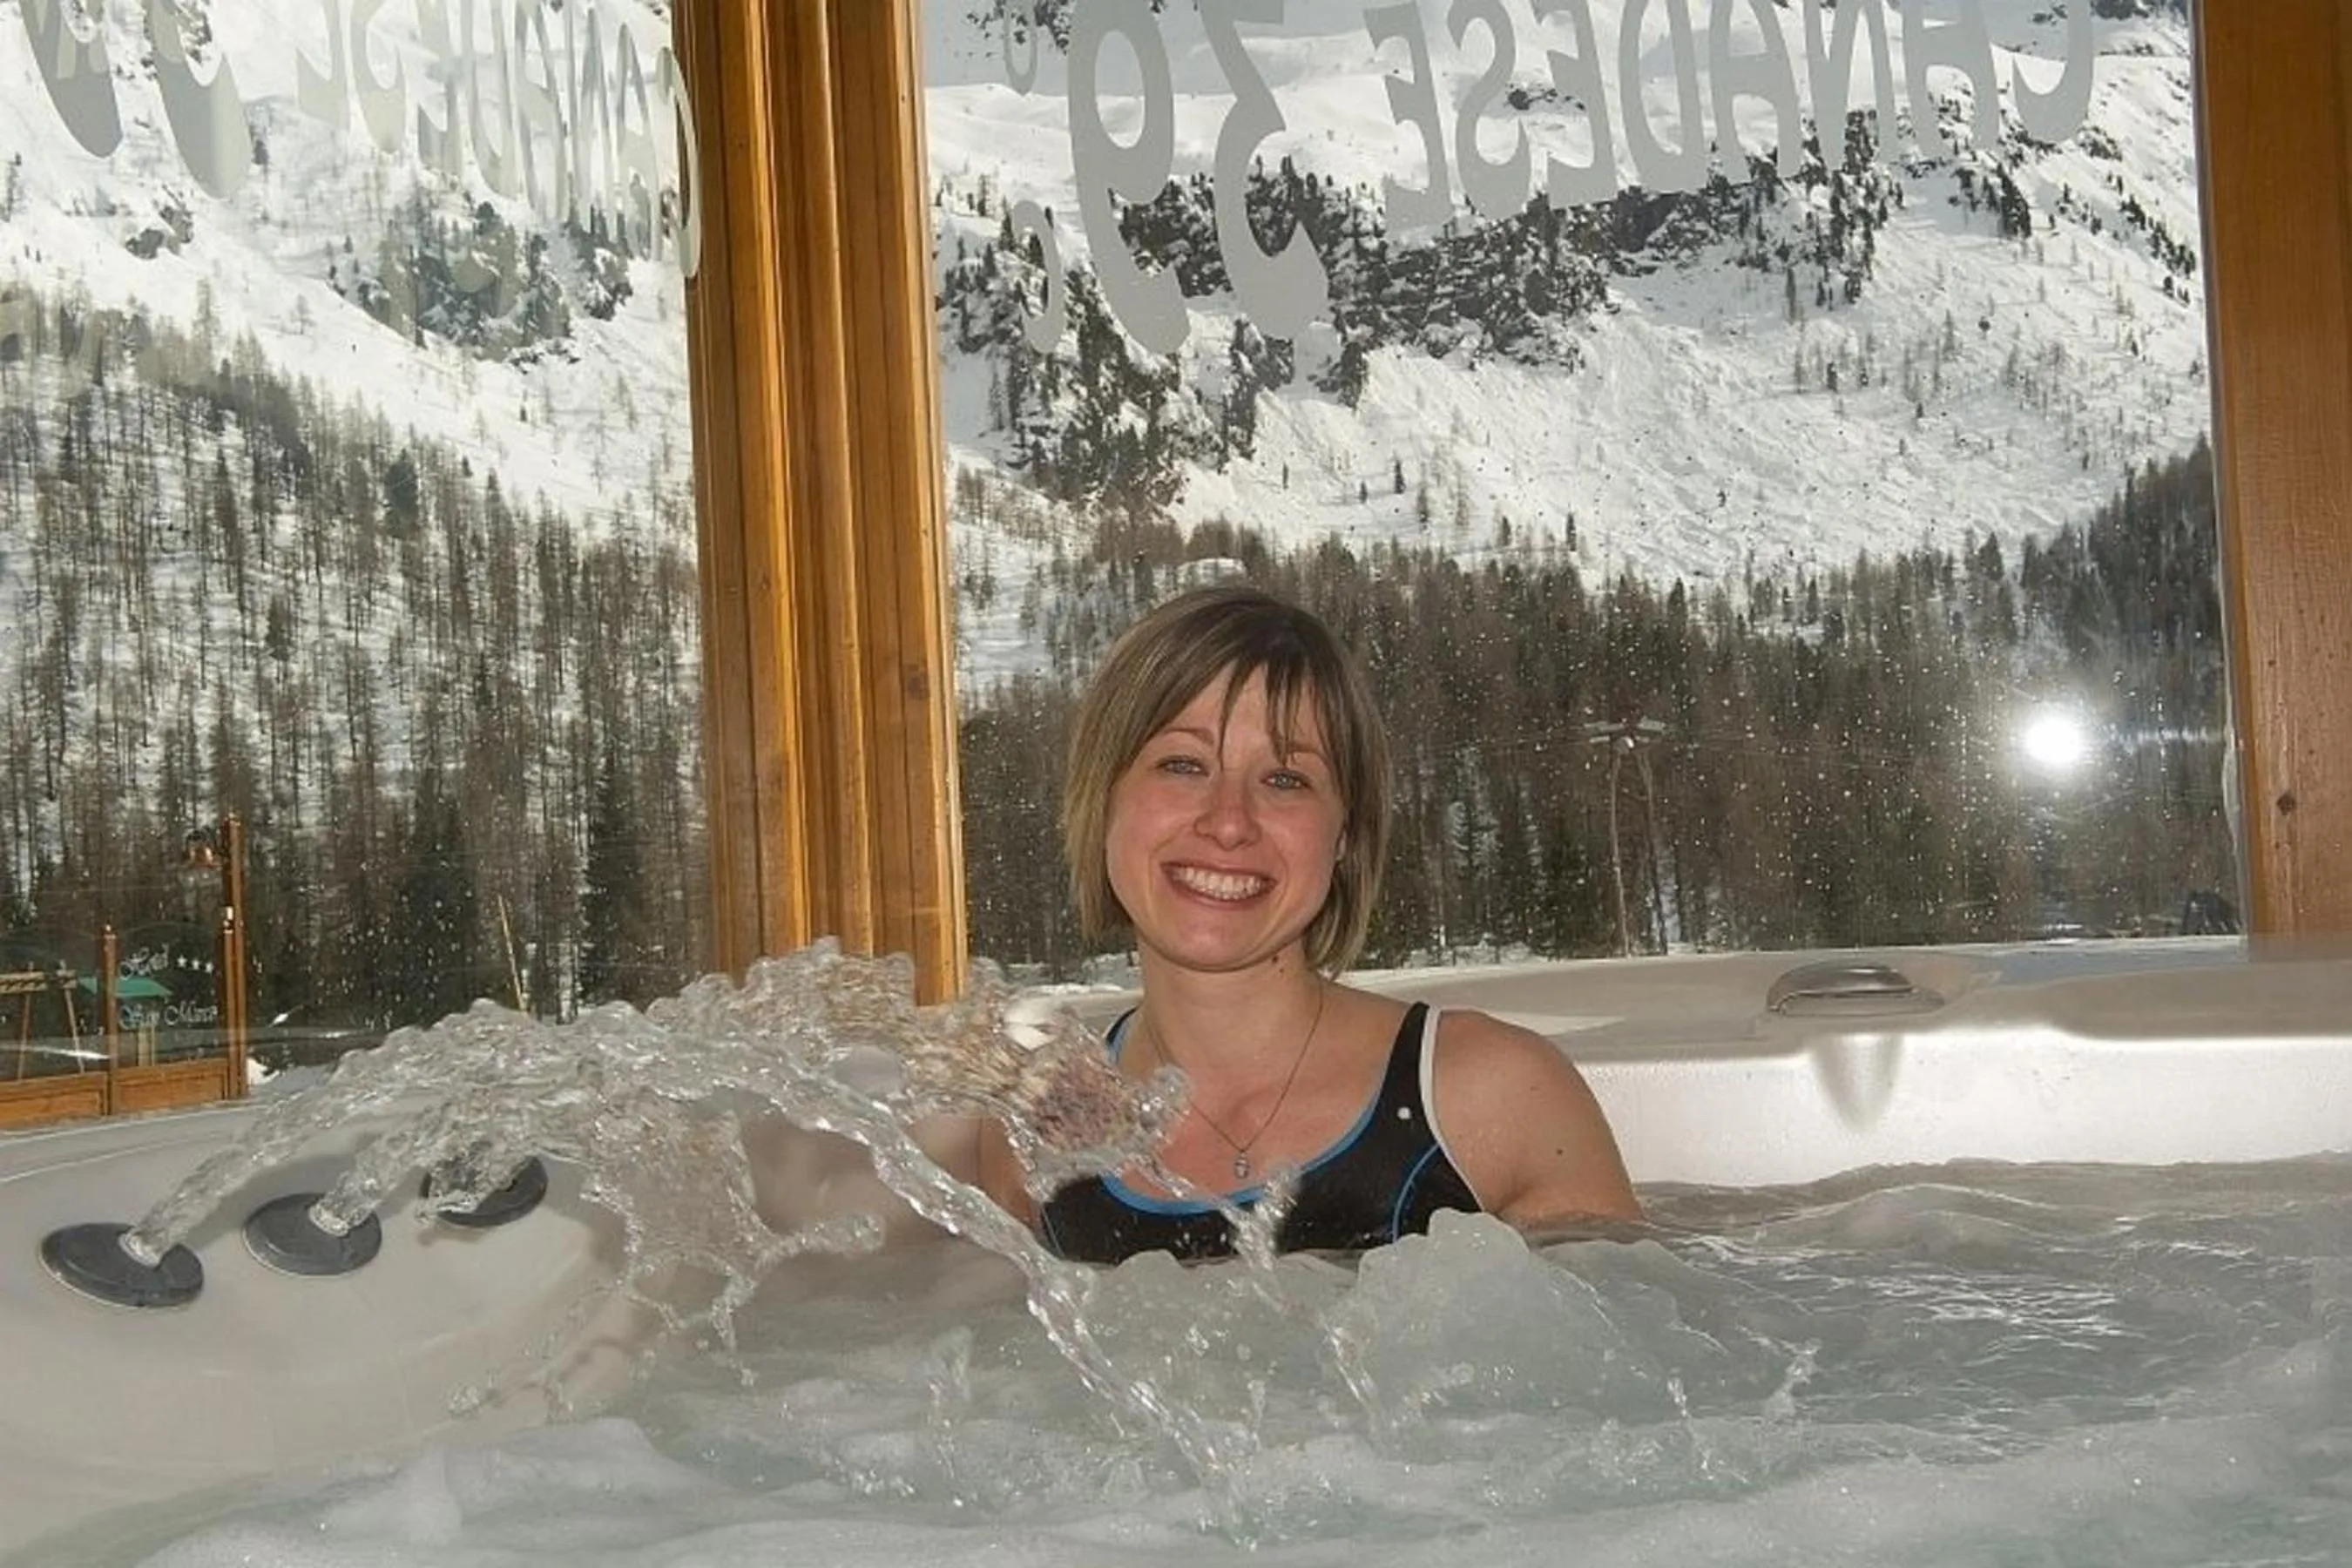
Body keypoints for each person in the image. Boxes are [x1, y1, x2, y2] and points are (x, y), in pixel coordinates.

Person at [965, 581, 1644, 1263]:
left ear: (1345, 831)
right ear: (1103, 800)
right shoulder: (1034, 1129)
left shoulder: (1491, 1097)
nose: (1228, 821)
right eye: (1182, 764)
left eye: (1285, 779)